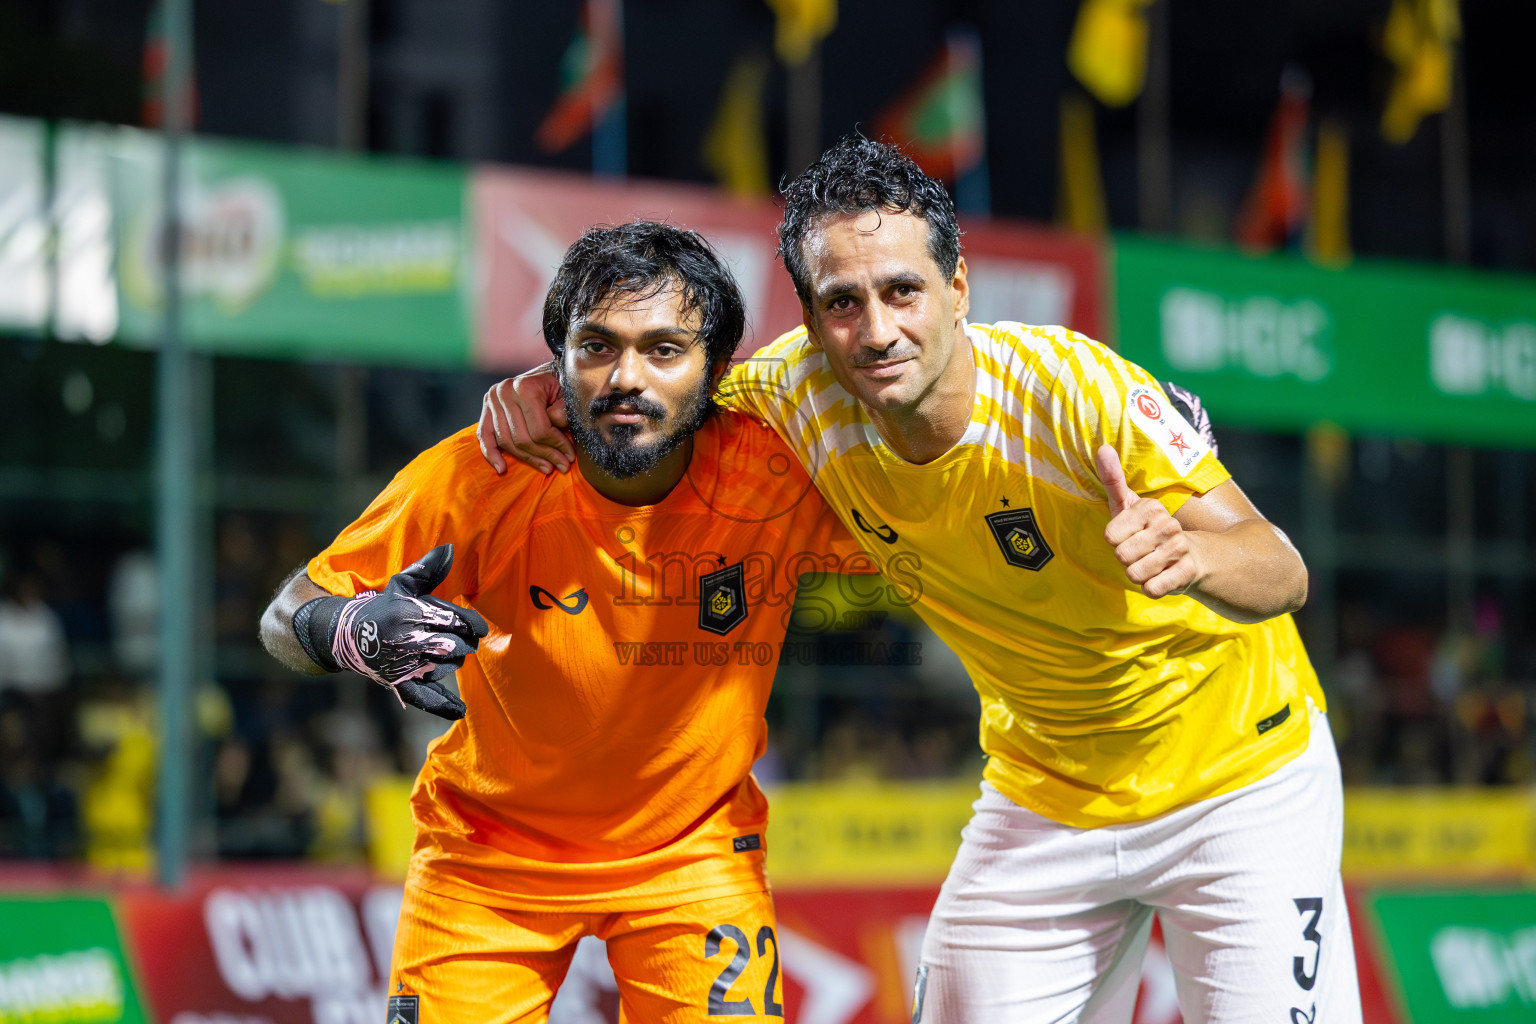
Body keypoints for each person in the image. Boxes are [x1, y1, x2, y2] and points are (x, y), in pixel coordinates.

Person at [478, 137, 1362, 1024]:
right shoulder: (790, 395)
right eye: (843, 303)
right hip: (1048, 795)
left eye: (902, 291)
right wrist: (545, 391)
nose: (877, 331)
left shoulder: (1075, 393)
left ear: (959, 290)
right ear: (813, 318)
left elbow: (1280, 568)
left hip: (1240, 785)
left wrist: (1195, 555)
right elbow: (649, 396)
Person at [260, 222, 871, 1022]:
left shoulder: (779, 472)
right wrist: (345, 631)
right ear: (557, 363)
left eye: (663, 349)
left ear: (716, 371)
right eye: (596, 346)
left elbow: (935, 508)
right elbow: (285, 616)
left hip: (691, 853)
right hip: (488, 857)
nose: (625, 376)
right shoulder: (481, 475)